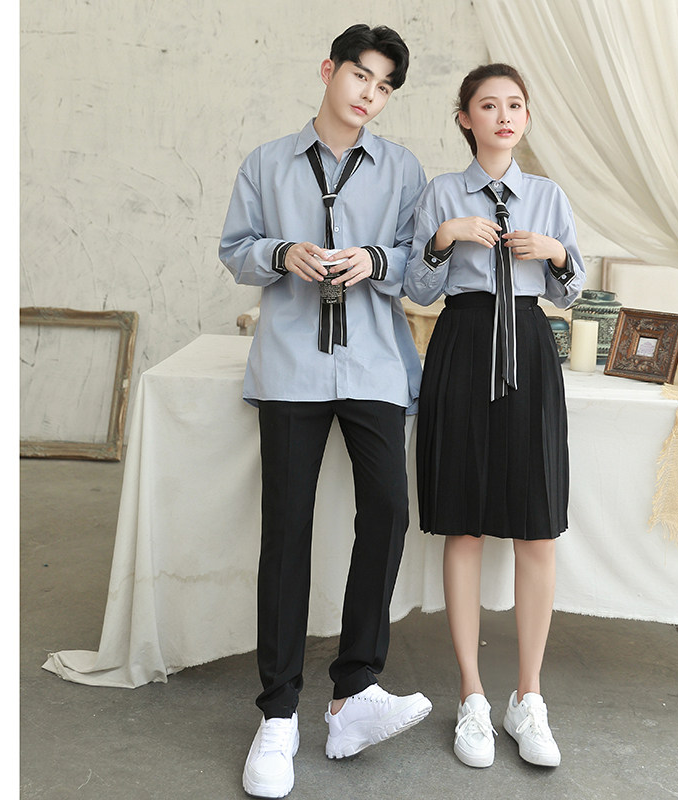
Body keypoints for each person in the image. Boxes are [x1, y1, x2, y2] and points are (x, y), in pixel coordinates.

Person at [219, 24, 431, 799]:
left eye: (384, 87)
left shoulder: (402, 169)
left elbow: (422, 270)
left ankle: (353, 693)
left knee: (388, 511)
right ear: (328, 71)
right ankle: (278, 714)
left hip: (372, 361)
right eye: (360, 76)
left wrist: (375, 260)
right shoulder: (267, 162)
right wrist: (283, 253)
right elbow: (235, 249)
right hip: (290, 365)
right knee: (287, 529)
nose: (370, 94)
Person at [404, 63, 585, 771]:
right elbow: (417, 289)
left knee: (537, 525)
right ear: (465, 118)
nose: (504, 115)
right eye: (488, 105)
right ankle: (473, 697)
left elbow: (569, 294)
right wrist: (443, 239)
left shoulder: (548, 196)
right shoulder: (440, 194)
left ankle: (528, 697)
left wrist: (557, 253)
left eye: (515, 105)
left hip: (530, 348)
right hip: (462, 344)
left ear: (526, 118)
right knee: (466, 520)